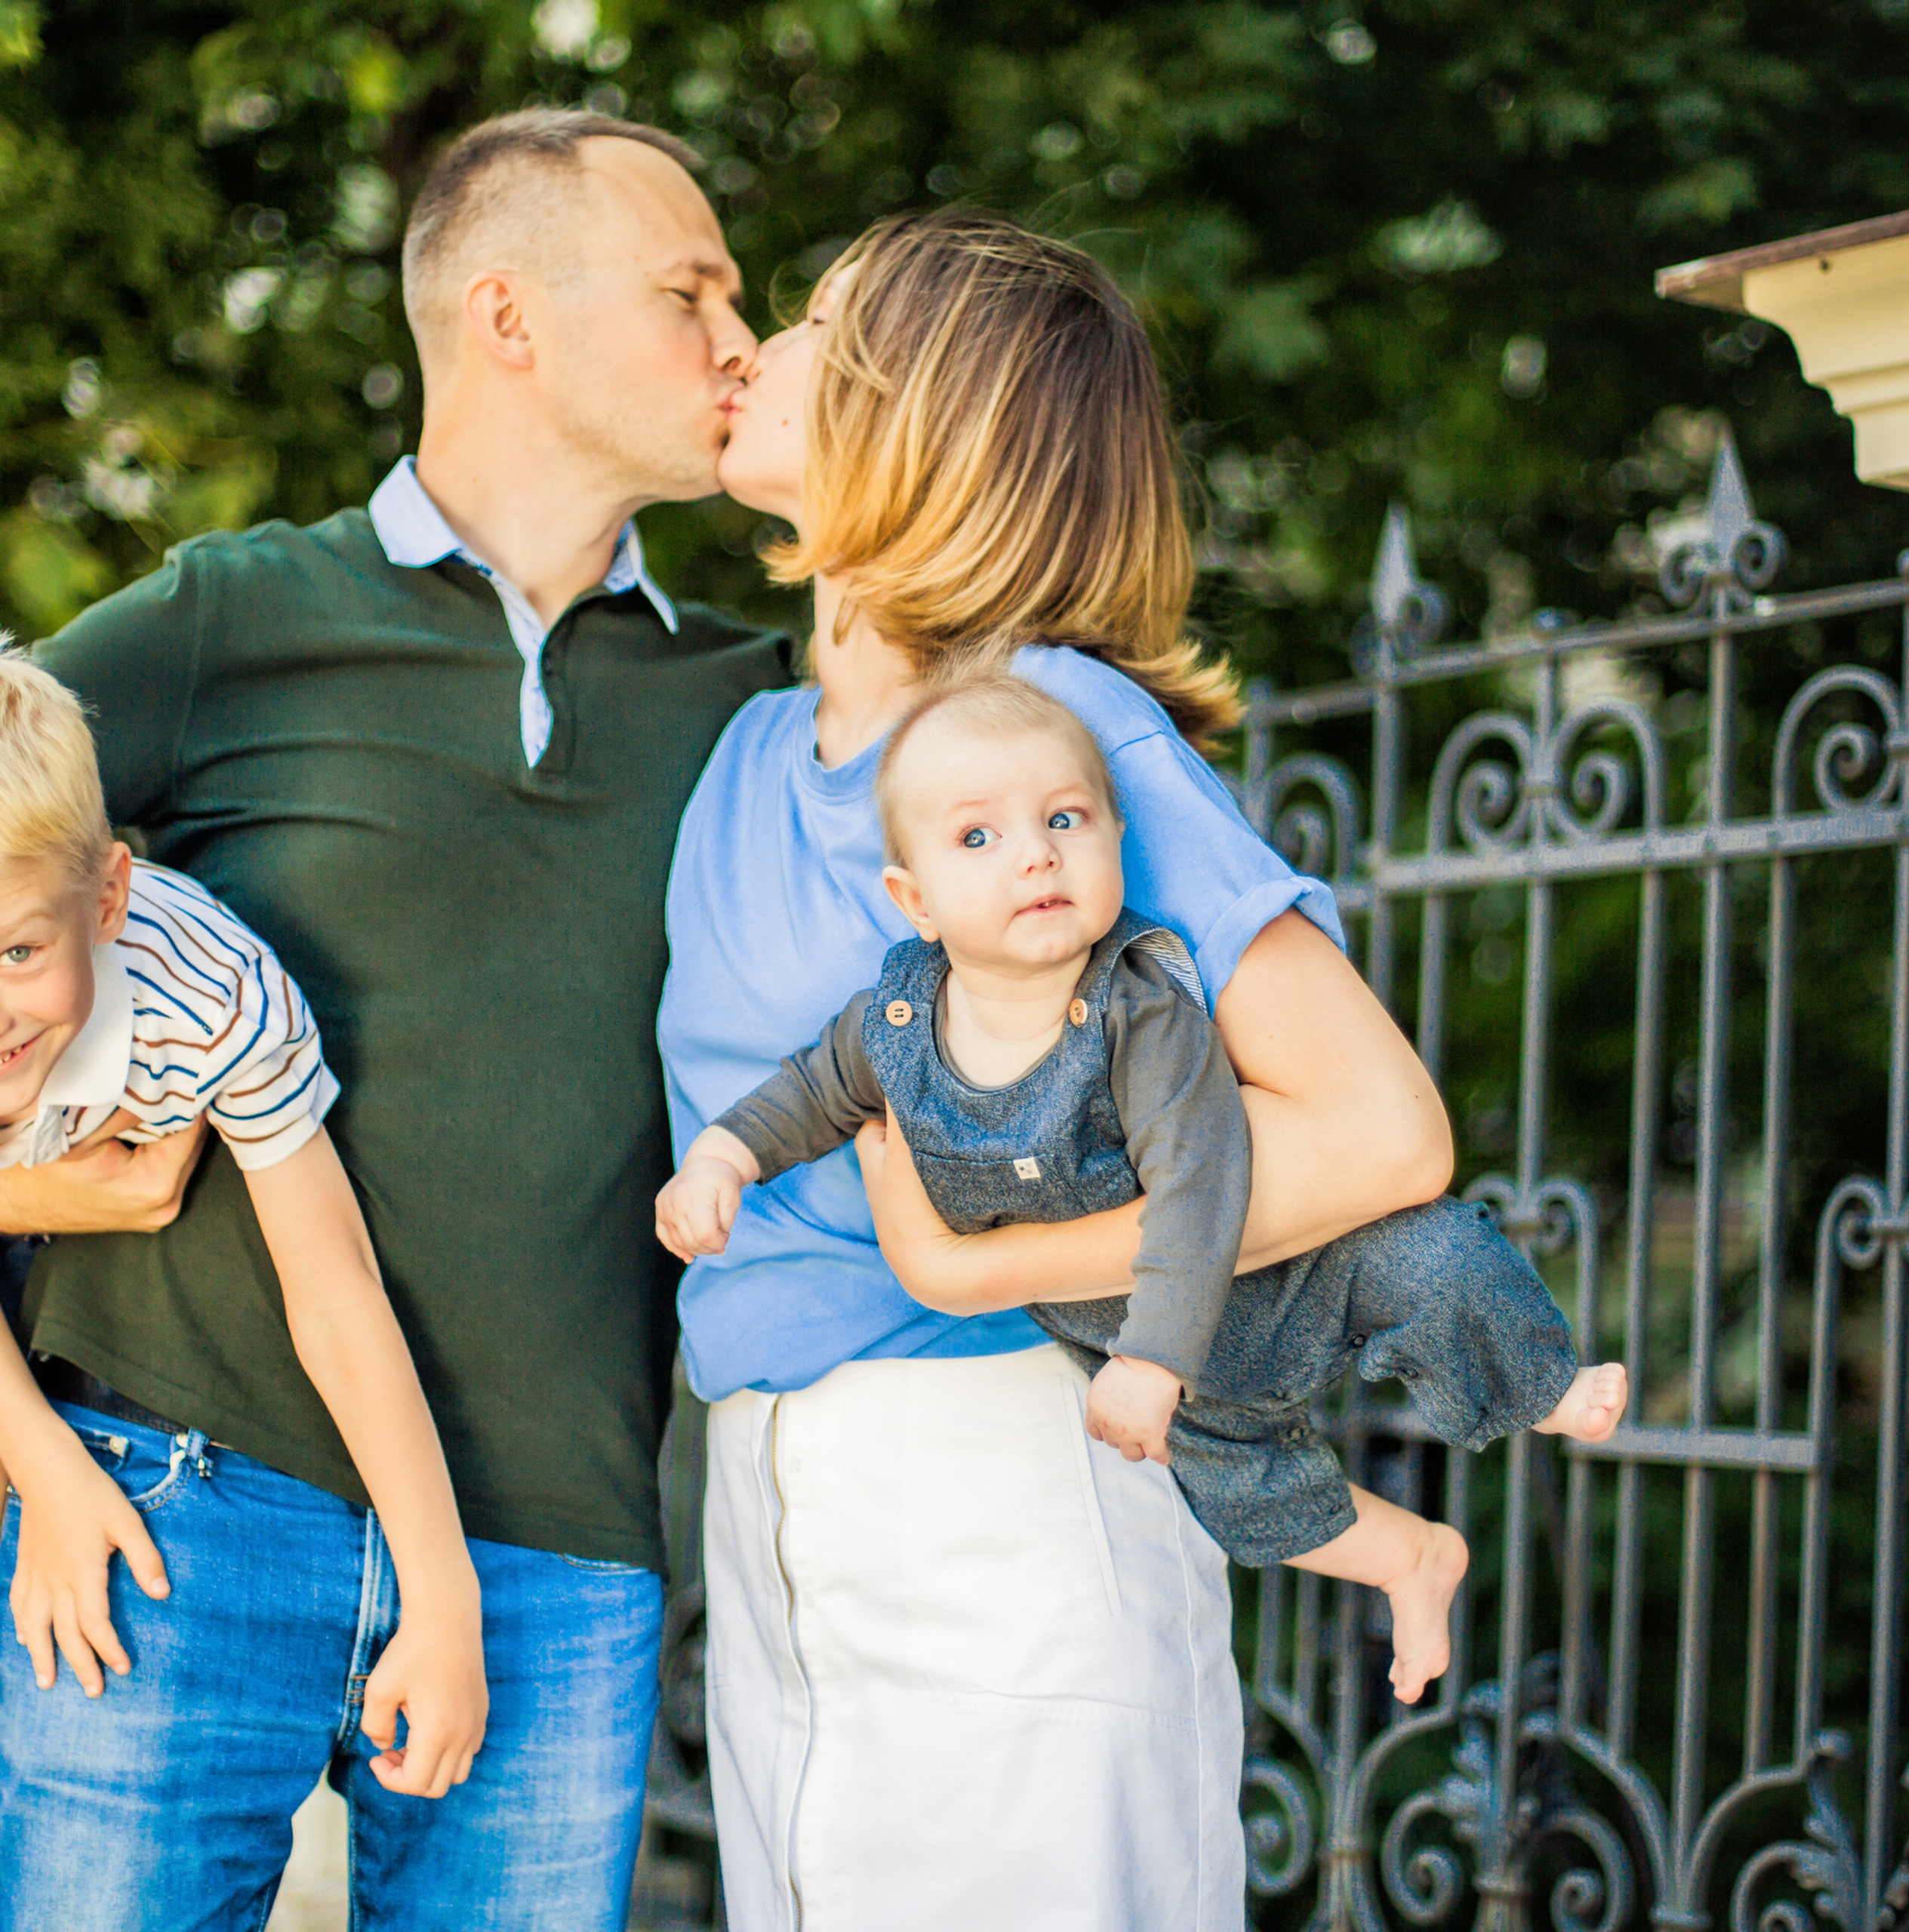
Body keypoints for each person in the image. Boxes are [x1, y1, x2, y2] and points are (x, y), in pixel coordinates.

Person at [0, 109, 787, 1932]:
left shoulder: (755, 710)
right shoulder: (227, 619)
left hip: (556, 1553)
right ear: (507, 315)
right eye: (693, 290)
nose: (741, 340)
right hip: (168, 1505)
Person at [657, 208, 1458, 1931]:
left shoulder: (1051, 733)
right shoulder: (741, 747)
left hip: (1015, 1479)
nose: (757, 348)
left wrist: (976, 1264)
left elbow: (1379, 1129)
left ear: (918, 421)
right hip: (774, 1500)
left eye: (812, 322)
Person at [658, 674, 1629, 1705]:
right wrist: (724, 1159)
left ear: (1119, 839)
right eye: (977, 838)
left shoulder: (1138, 1009)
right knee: (1243, 1493)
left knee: (1438, 1258)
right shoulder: (895, 1022)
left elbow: (1200, 1181)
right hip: (1160, 1361)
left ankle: (1540, 1382)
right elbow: (808, 1092)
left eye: (1066, 819)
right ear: (915, 900)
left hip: (1275, 1279)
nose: (1035, 852)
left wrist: (1155, 1359)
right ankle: (1408, 1561)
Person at [0, 654, 486, 1796]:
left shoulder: (212, 996)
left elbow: (335, 1290)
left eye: (17, 950)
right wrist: (48, 1465)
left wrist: (441, 1591)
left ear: (110, 897)